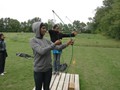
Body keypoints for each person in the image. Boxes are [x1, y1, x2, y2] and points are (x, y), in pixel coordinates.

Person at [30, 22, 74, 90]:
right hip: (39, 70)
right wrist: (54, 44)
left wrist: (68, 43)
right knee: (38, 88)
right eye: (43, 28)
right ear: (37, 29)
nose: (45, 30)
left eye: (45, 28)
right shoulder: (33, 40)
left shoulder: (46, 40)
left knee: (47, 88)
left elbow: (57, 48)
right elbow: (41, 51)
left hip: (48, 69)